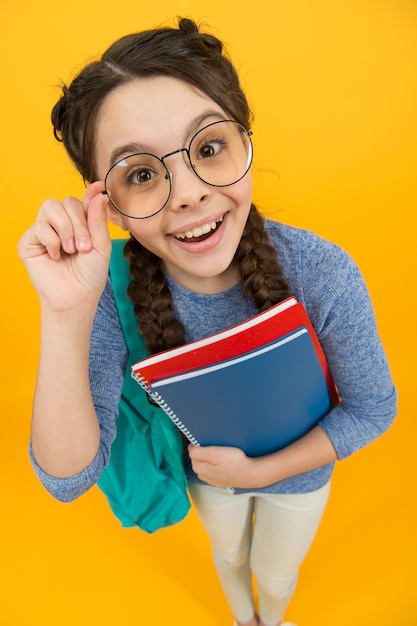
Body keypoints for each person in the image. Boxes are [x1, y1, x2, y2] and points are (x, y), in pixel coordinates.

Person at [18, 17, 397, 626]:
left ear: (246, 145)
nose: (189, 193)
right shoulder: (107, 297)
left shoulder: (322, 271)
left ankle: (268, 620)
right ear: (107, 204)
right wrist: (66, 312)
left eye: (209, 147)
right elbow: (66, 482)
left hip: (299, 478)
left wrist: (262, 473)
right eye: (141, 174)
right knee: (228, 554)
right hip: (209, 485)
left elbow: (374, 408)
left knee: (276, 572)